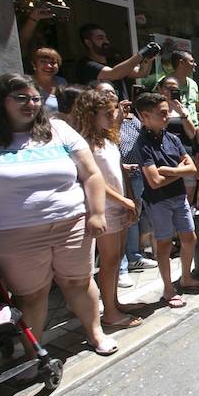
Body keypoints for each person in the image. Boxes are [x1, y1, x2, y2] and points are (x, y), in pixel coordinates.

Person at [0, 74, 117, 356]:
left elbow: (91, 174)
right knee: (31, 295)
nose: (30, 104)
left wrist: (97, 213)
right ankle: (33, 354)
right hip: (11, 234)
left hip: (72, 224)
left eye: (35, 98)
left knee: (79, 282)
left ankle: (95, 333)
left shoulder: (59, 129)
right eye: (20, 98)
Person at [72, 85, 143, 328]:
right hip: (105, 208)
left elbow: (116, 172)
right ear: (91, 115)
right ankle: (110, 312)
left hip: (120, 205)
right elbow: (93, 180)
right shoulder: (86, 143)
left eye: (113, 111)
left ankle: (115, 302)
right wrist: (123, 200)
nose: (114, 116)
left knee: (117, 256)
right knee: (110, 260)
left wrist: (129, 199)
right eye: (108, 113)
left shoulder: (107, 138)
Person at [134, 92, 199, 308]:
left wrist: (168, 170)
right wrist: (179, 171)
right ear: (146, 116)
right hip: (158, 201)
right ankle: (168, 289)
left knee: (190, 238)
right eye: (163, 113)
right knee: (164, 244)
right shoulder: (143, 144)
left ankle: (186, 277)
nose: (168, 117)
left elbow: (193, 169)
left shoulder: (172, 138)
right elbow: (155, 182)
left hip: (179, 197)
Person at [118, 97, 158, 280]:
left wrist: (133, 116)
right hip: (120, 176)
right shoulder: (109, 123)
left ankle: (134, 256)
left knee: (135, 215)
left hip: (138, 172)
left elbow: (144, 135)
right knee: (121, 220)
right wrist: (118, 117)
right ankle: (121, 268)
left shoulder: (133, 120)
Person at [75, 23, 158, 100]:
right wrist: (141, 54)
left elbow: (141, 73)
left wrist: (148, 58)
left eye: (106, 37)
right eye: (100, 38)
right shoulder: (86, 65)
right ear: (88, 43)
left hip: (123, 112)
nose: (106, 41)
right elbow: (114, 74)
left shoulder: (113, 62)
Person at [157, 76, 198, 199]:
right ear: (159, 89)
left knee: (187, 197)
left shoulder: (182, 109)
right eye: (167, 88)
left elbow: (192, 134)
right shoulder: (155, 109)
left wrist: (182, 114)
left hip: (184, 155)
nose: (170, 91)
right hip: (164, 156)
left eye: (174, 89)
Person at [30, 47, 66, 112]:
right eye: (43, 62)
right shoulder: (28, 83)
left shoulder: (62, 82)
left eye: (53, 62)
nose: (49, 66)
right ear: (34, 64)